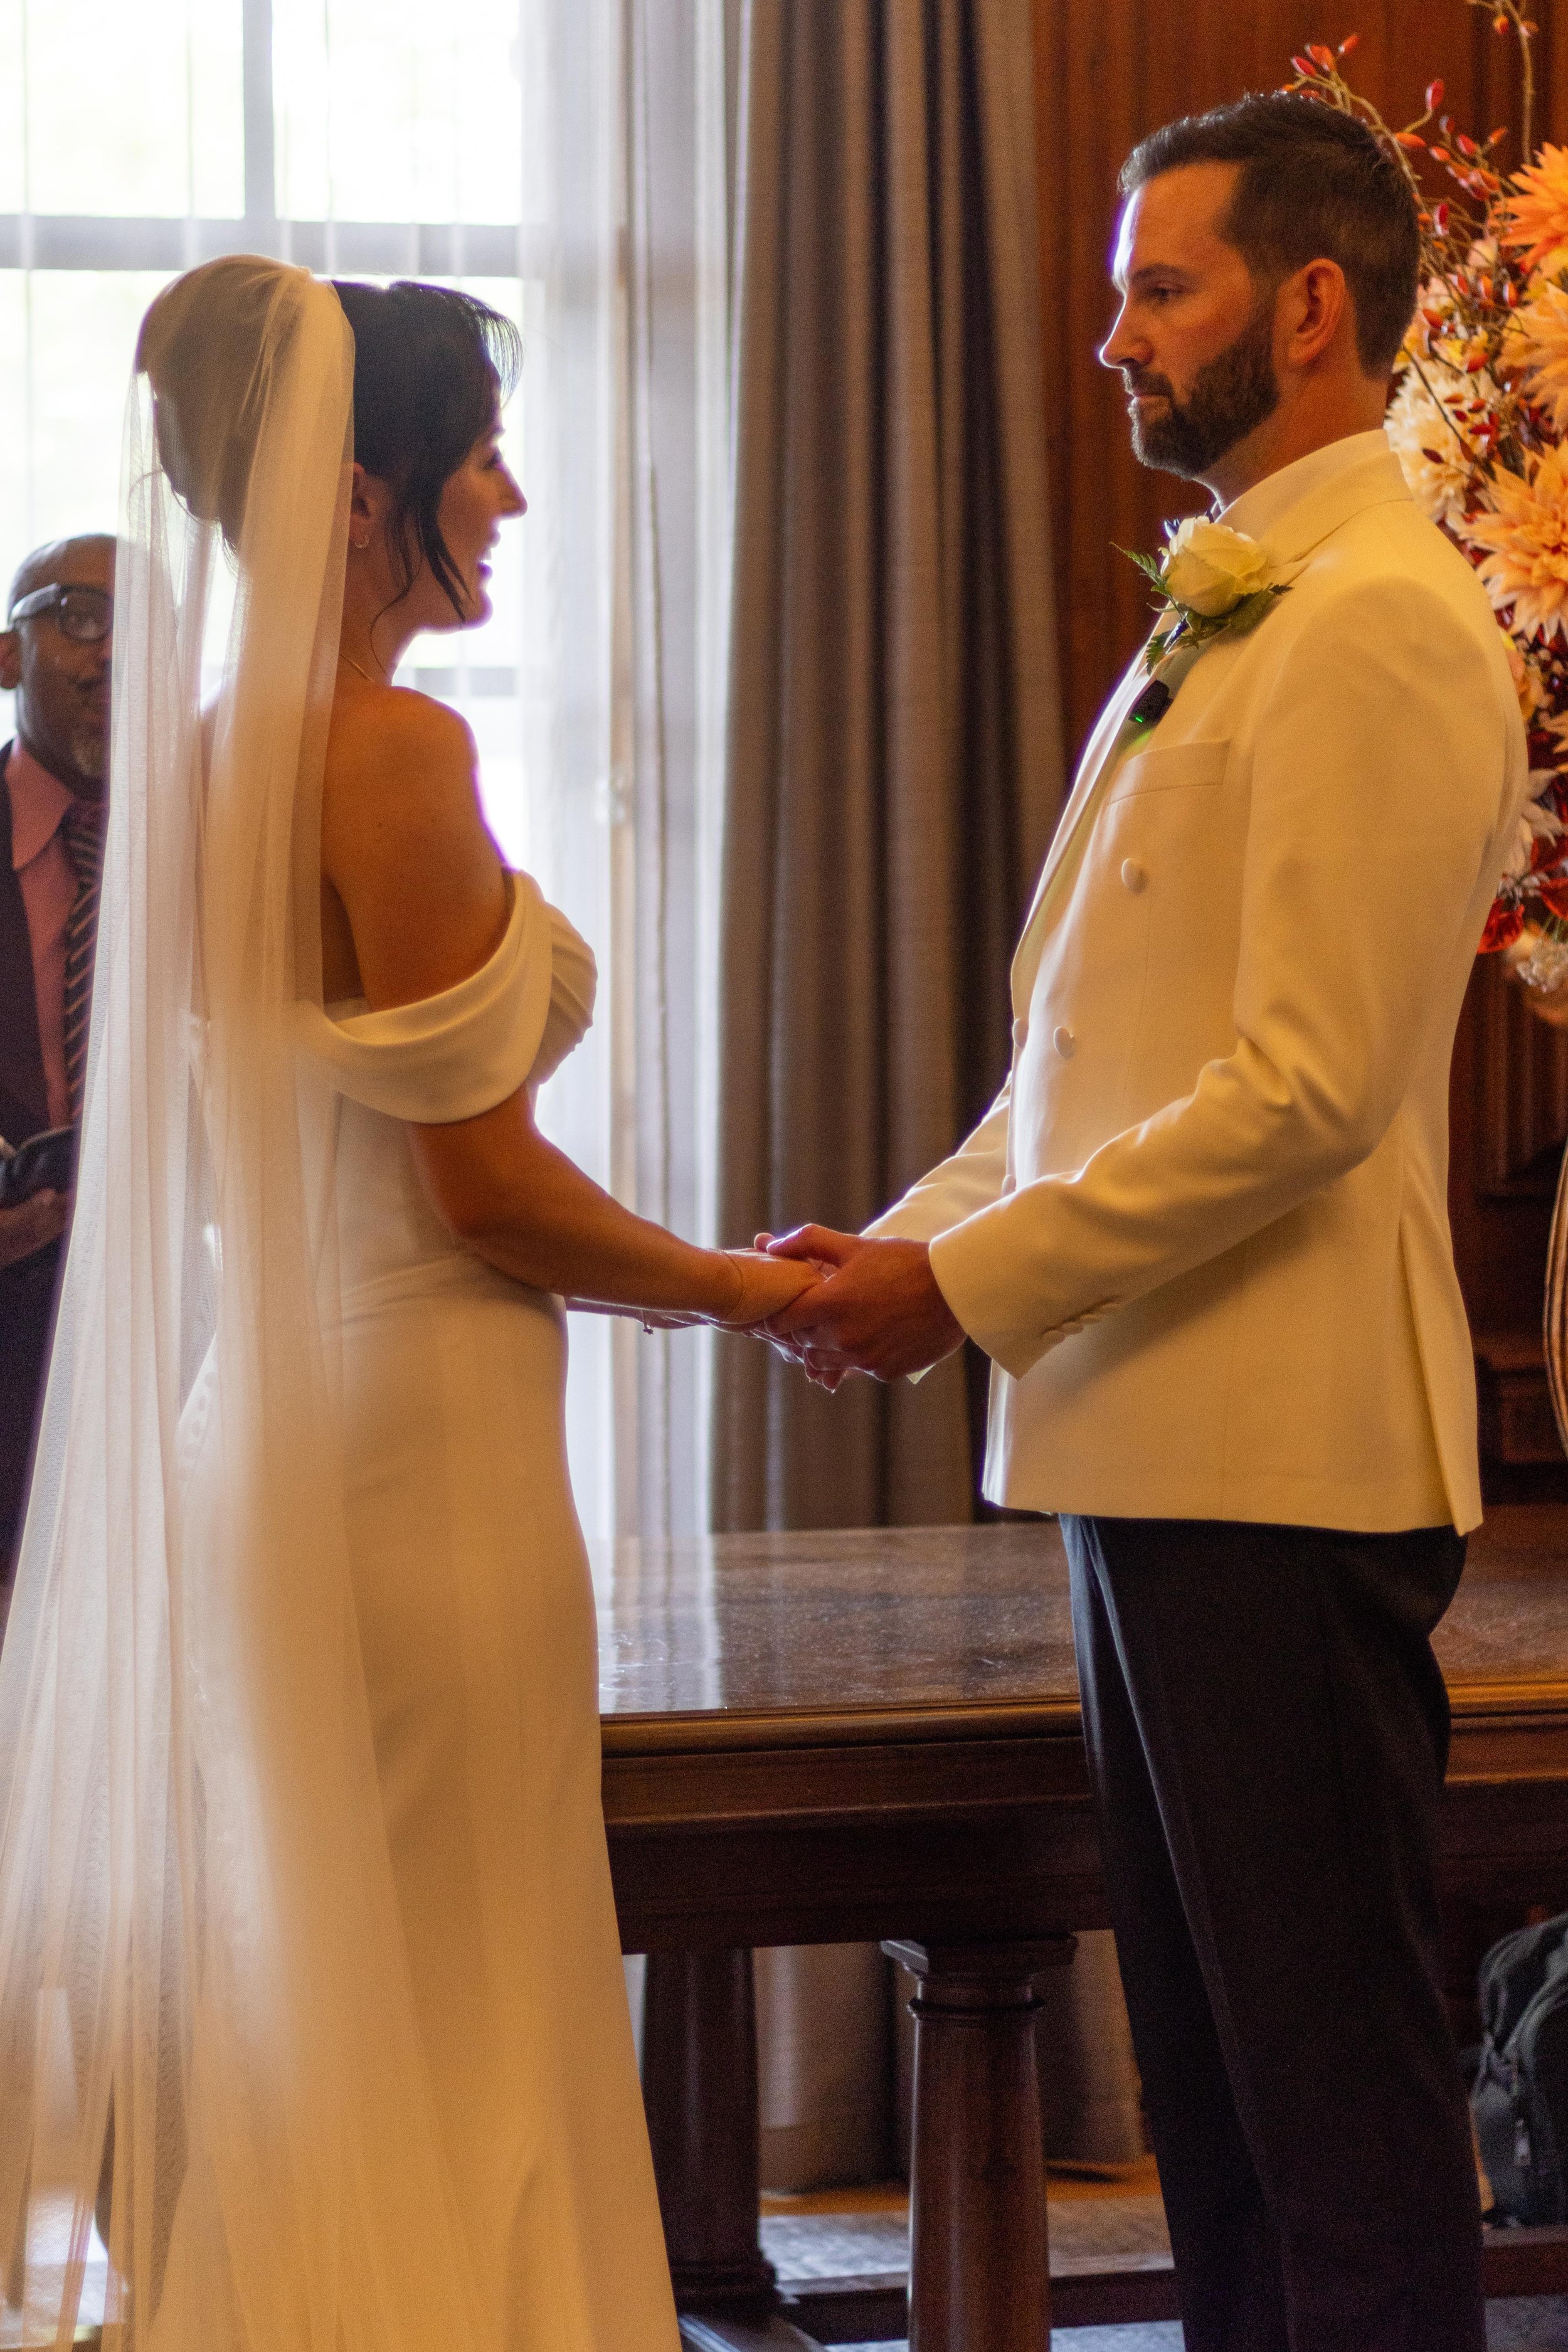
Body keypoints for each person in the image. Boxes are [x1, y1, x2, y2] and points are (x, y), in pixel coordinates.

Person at [765, 95, 1525, 2351]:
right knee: (1215, 2107)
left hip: (1282, 1473)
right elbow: (1091, 1052)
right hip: (1161, 1446)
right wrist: (895, 1249)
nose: (1111, 338)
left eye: (1156, 287)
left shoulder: (1382, 617)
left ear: (1311, 308)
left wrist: (966, 1289)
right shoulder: (1233, 604)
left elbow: (1300, 1093)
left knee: (1336, 2113)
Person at [0, 260, 813, 2352]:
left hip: (258, 1444)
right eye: (481, 458)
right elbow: (490, 1194)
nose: (516, 497)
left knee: (325, 2019)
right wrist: (749, 1291)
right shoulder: (391, 756)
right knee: (474, 2000)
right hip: (419, 1449)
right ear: (365, 501)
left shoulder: (184, 759)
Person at [0, 535, 113, 1574]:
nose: (114, 651)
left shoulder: (207, 853)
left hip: (152, 1357)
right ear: (7, 655)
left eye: (141, 627)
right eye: (81, 614)